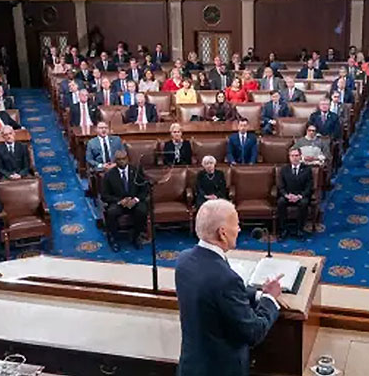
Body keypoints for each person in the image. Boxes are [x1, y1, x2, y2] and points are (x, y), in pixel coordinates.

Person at [174, 199, 282, 376]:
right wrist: (269, 298)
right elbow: (253, 332)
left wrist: (257, 294)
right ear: (222, 233)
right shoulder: (226, 279)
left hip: (191, 366)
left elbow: (214, 291)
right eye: (236, 224)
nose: (239, 229)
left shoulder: (183, 260)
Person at [99, 151, 149, 251]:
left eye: (124, 159)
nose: (122, 161)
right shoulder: (109, 175)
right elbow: (104, 195)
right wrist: (119, 201)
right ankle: (114, 239)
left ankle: (136, 236)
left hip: (134, 201)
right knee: (111, 213)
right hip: (118, 203)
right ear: (115, 161)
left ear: (128, 159)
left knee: (142, 210)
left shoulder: (136, 171)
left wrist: (136, 199)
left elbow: (144, 189)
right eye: (119, 159)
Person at [276, 148, 314, 238]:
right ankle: (283, 229)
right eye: (292, 156)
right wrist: (286, 195)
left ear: (300, 156)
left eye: (296, 155)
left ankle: (299, 229)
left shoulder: (307, 169)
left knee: (304, 203)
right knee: (280, 202)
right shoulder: (284, 169)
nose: (294, 158)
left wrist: (300, 196)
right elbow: (281, 186)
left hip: (301, 196)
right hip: (288, 195)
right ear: (289, 157)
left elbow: (309, 187)